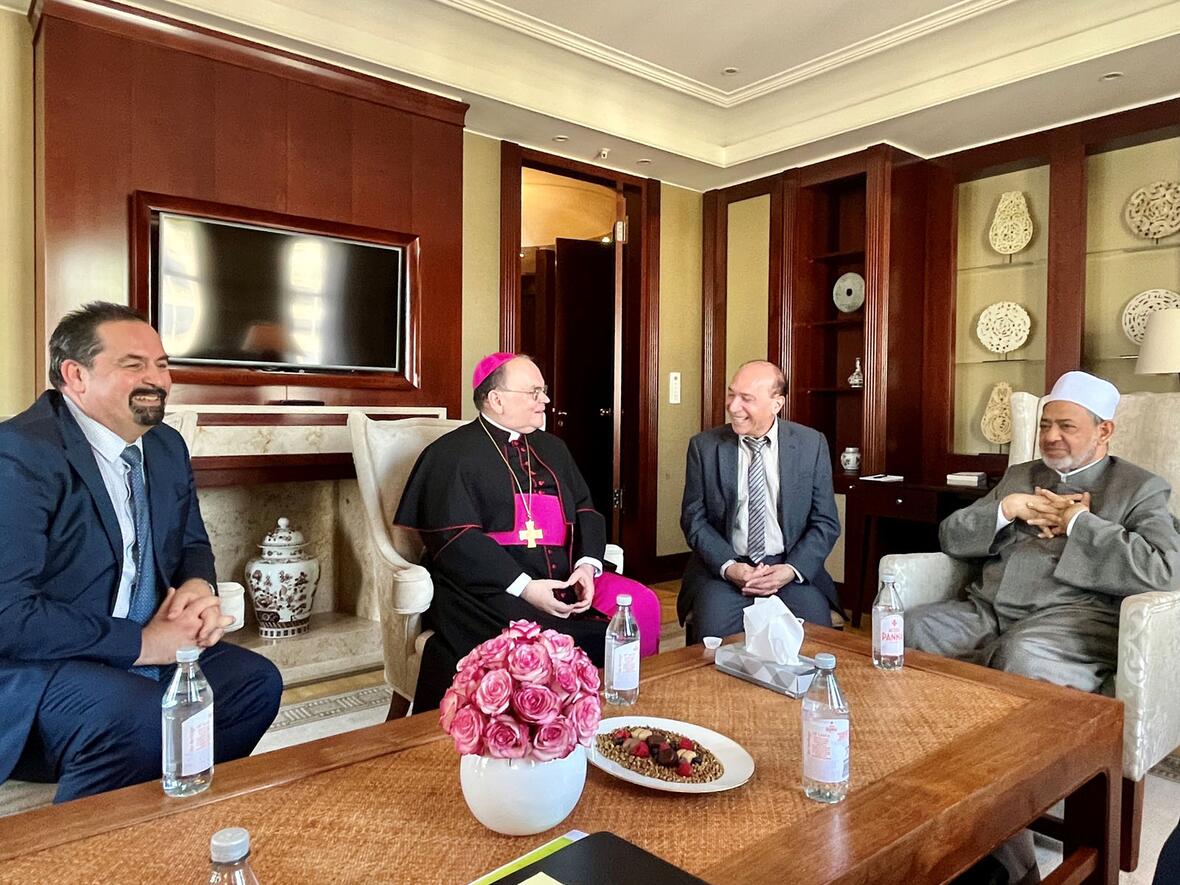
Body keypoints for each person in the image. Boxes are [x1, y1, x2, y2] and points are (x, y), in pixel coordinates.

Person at [0, 302, 282, 803]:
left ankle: (175, 811)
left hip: (144, 653)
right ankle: (79, 853)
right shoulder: (19, 455)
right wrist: (143, 644)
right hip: (42, 667)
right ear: (75, 375)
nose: (158, 379)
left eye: (163, 364)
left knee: (254, 683)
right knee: (133, 714)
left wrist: (198, 589)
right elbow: (9, 616)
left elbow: (193, 543)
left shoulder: (166, 447)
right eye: (133, 365)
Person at [395, 352, 661, 711]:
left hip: (567, 576)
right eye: (534, 392)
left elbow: (586, 509)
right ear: (497, 399)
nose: (546, 401)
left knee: (642, 606)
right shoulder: (450, 454)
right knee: (551, 641)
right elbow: (455, 539)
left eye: (544, 391)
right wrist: (526, 586)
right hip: (490, 587)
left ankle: (633, 709)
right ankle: (576, 720)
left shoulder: (554, 448)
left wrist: (587, 567)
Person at [908, 370, 1180, 694]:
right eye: (1044, 425)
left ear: (1103, 431)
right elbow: (950, 536)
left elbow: (1166, 570)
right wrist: (1005, 509)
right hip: (987, 612)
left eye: (1066, 426)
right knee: (910, 628)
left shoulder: (1139, 488)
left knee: (1023, 657)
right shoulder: (1019, 476)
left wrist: (1080, 523)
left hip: (1070, 622)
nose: (1050, 437)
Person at [678, 360, 840, 641]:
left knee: (815, 645)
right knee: (712, 649)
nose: (732, 406)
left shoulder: (811, 444)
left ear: (776, 404)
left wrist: (790, 570)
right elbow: (694, 518)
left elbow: (825, 521)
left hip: (788, 568)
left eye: (746, 399)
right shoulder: (704, 447)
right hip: (725, 571)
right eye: (732, 394)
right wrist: (729, 567)